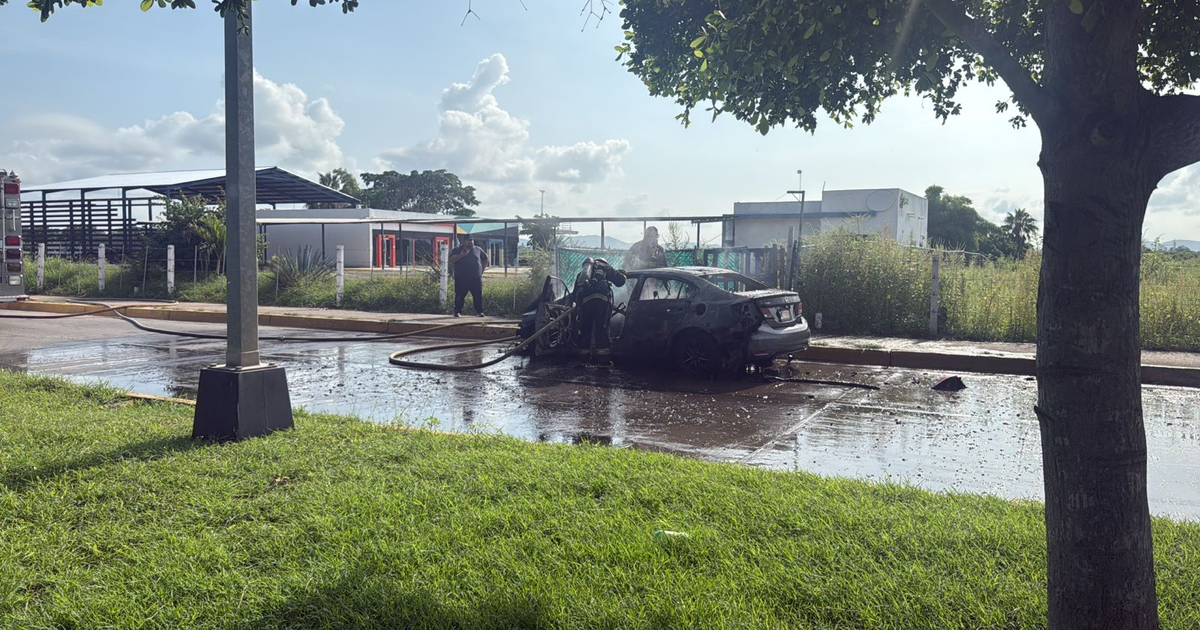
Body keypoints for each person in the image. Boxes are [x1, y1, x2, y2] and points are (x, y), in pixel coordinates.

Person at [571, 257, 626, 367]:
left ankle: (583, 360)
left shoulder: (583, 274)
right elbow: (620, 281)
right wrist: (622, 273)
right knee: (602, 330)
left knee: (585, 330)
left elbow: (574, 295)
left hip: (586, 305)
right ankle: (603, 361)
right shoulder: (605, 268)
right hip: (602, 304)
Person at [450, 235, 488, 317]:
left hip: (475, 278)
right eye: (468, 240)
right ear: (464, 241)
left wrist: (482, 270)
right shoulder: (457, 250)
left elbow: (485, 258)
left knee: (477, 295)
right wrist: (461, 255)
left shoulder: (478, 249)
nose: (471, 242)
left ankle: (479, 312)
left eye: (472, 240)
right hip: (461, 278)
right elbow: (452, 259)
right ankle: (457, 311)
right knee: (460, 295)